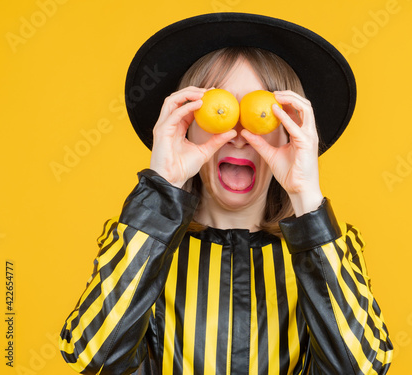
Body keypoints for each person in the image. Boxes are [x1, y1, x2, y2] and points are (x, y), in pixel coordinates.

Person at [59, 13, 393, 375]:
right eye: (218, 110)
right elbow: (91, 353)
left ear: (290, 133)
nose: (236, 134)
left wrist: (307, 199)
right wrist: (161, 187)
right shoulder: (142, 243)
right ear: (186, 128)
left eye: (259, 114)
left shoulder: (329, 250)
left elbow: (362, 367)